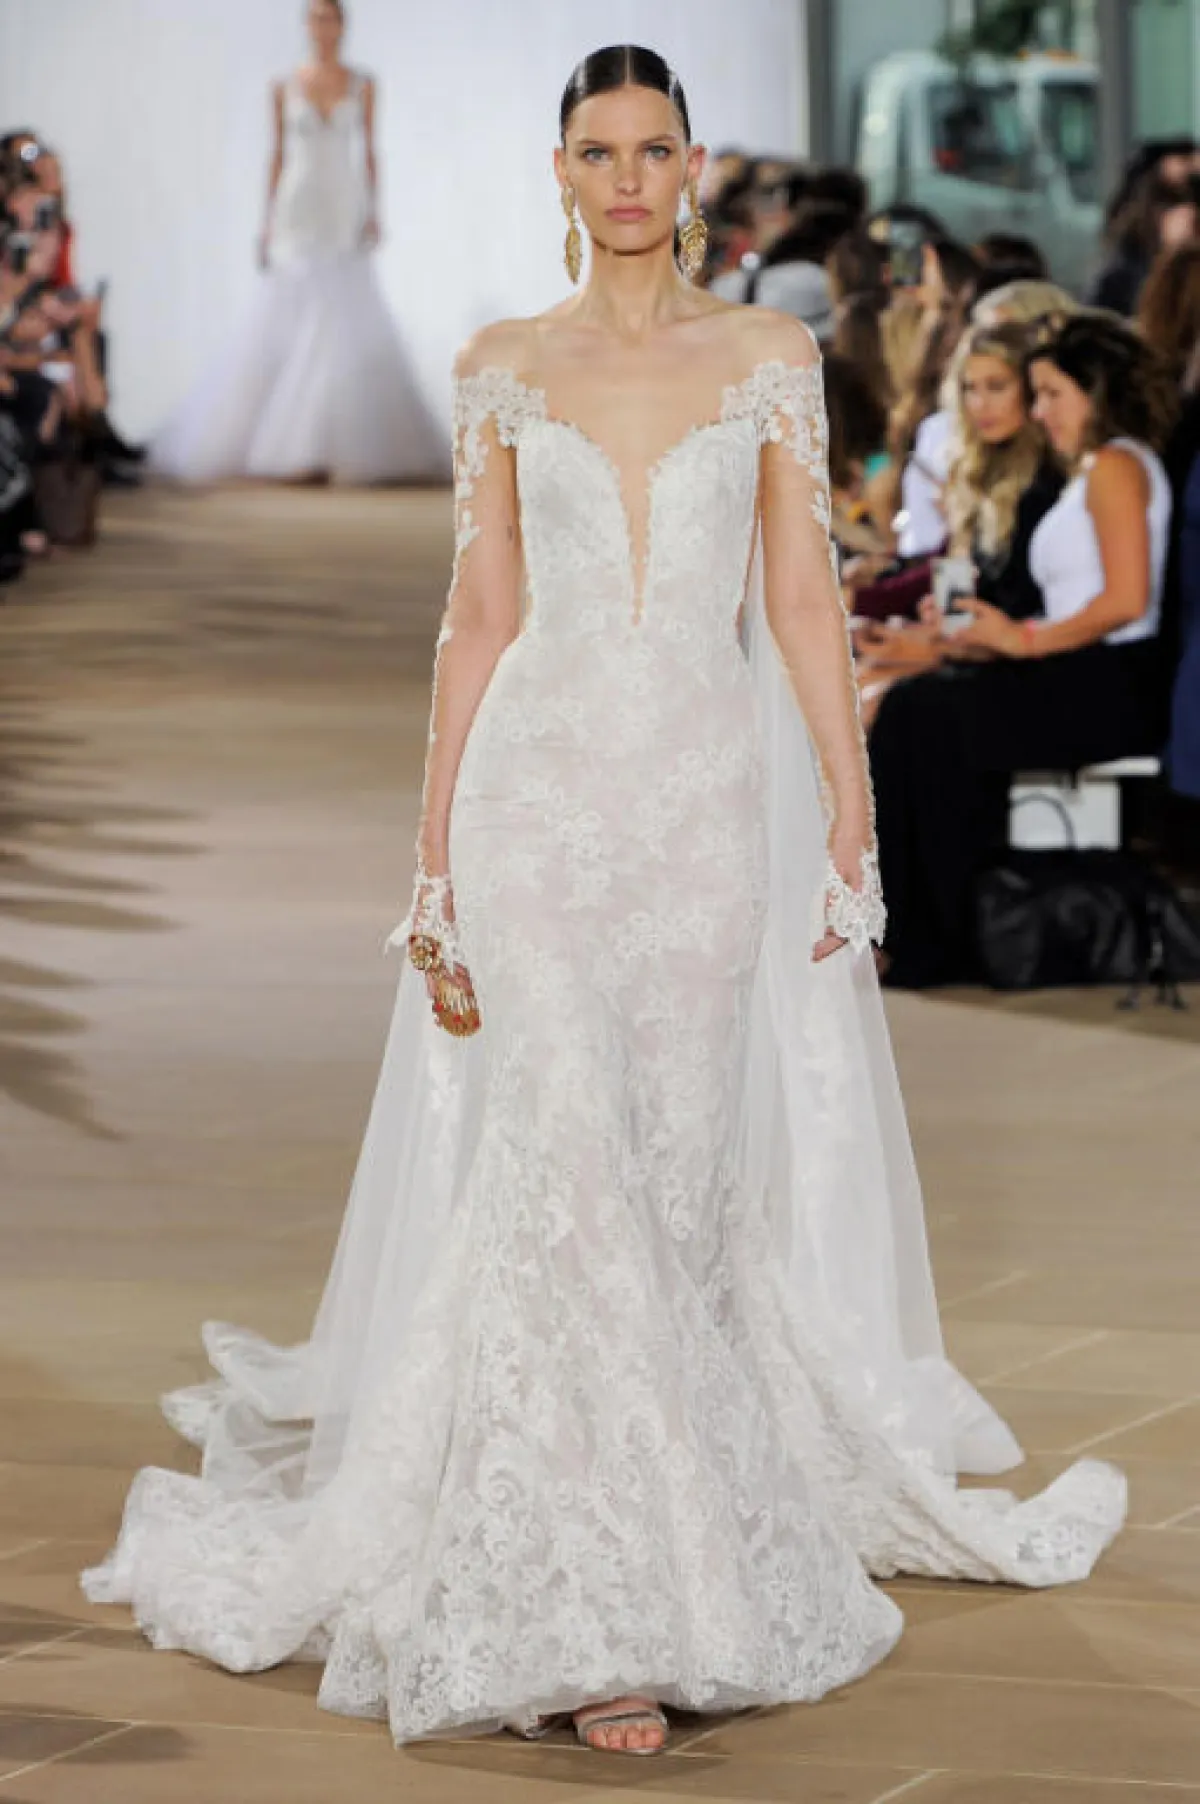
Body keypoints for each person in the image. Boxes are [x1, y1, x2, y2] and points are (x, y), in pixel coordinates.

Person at [84, 46, 1125, 1760]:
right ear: (559, 171)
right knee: (562, 1166)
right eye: (597, 151)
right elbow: (479, 612)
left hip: (705, 805)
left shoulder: (770, 356)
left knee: (678, 1178)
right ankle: (588, 1608)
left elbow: (800, 592)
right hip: (539, 803)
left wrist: (847, 798)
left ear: (693, 167)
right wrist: (434, 852)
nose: (627, 178)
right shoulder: (500, 363)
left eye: (653, 149)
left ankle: (680, 1538)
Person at [872, 313, 1175, 988]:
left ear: (1097, 393)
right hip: (1075, 668)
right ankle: (916, 928)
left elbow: (1126, 600)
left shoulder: (1118, 466)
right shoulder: (1097, 468)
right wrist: (991, 638)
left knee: (921, 715)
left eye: (1053, 395)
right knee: (914, 711)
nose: (1041, 412)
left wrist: (1020, 640)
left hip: (1105, 682)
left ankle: (926, 935)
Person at [152, 0, 442, 485]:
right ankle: (286, 444)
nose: (322, 27)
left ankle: (330, 441)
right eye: (315, 19)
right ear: (307, 26)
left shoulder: (363, 84)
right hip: (298, 203)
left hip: (343, 202)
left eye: (330, 18)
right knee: (294, 310)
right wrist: (266, 223)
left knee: (341, 313)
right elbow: (277, 154)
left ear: (343, 25)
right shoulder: (284, 85)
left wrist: (375, 209)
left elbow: (371, 150)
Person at [857, 321, 1063, 725]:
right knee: (852, 682)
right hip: (970, 650)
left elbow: (1027, 609)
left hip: (1023, 662)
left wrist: (933, 647)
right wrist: (928, 630)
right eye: (970, 388)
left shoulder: (1046, 482)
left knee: (873, 702)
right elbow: (957, 599)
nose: (980, 404)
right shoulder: (976, 471)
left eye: (997, 387)